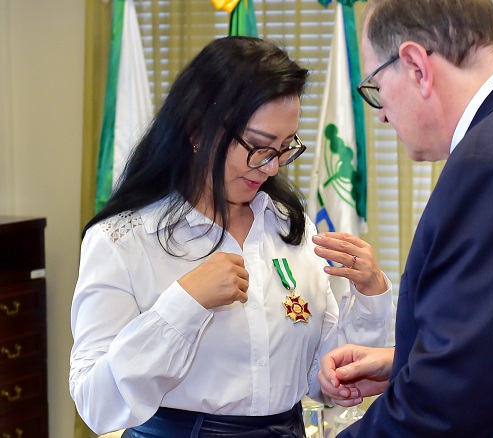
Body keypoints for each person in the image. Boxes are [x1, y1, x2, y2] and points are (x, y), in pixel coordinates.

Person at [69, 36, 395, 437]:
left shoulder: (289, 228)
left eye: (284, 148)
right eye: (258, 147)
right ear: (196, 130)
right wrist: (184, 304)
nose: (272, 168)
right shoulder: (123, 239)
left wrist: (370, 295)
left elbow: (320, 379)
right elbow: (95, 404)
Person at [315, 0, 493, 436]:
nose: (382, 114)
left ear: (415, 66)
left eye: (375, 87)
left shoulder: (490, 166)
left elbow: (445, 401)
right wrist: (405, 360)